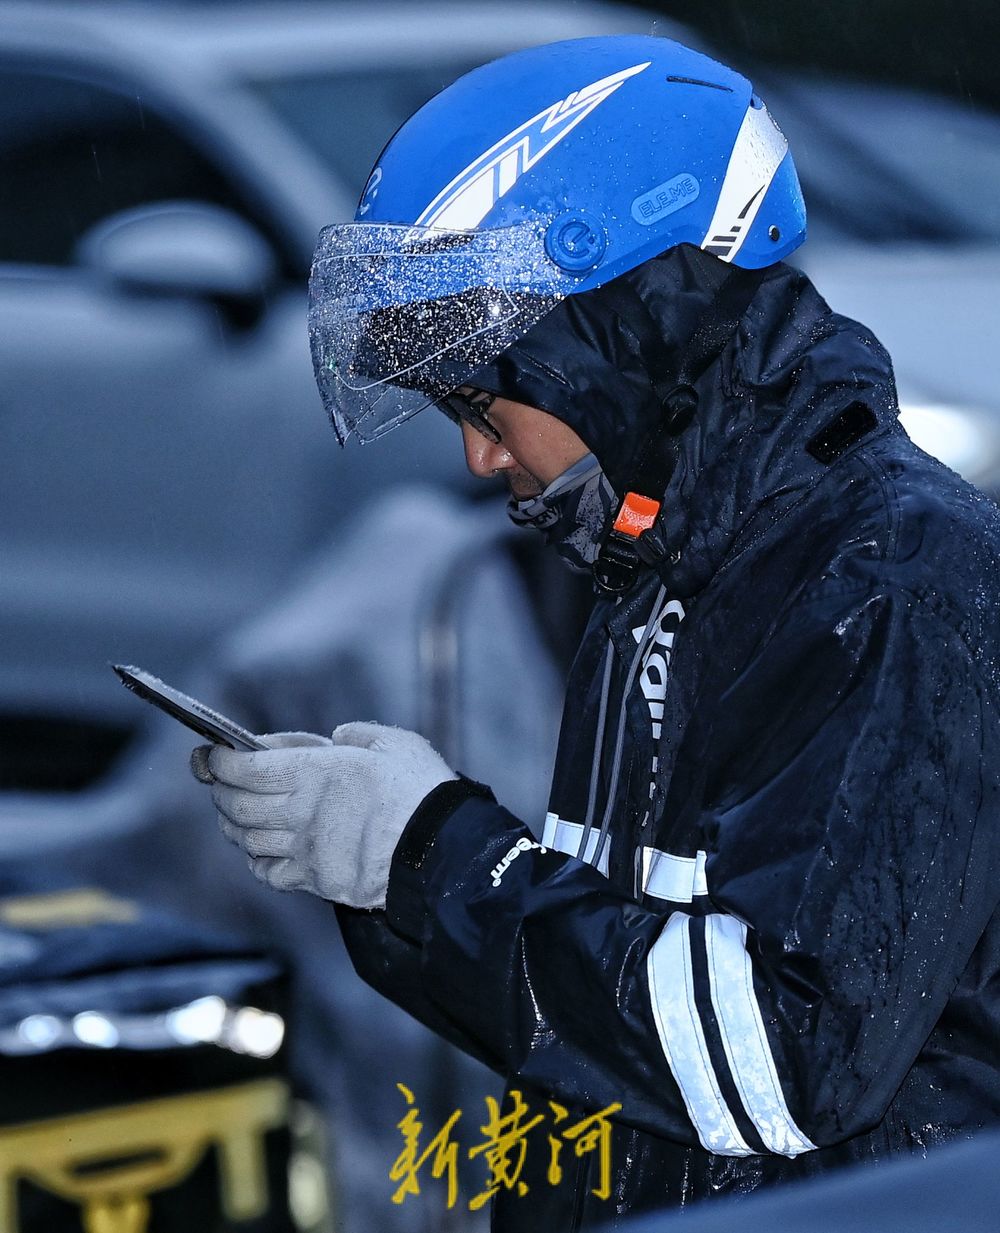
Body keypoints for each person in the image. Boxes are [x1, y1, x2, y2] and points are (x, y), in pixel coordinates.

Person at [190, 34, 1000, 1230]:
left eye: (484, 396)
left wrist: (428, 856)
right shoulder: (659, 565)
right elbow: (621, 1024)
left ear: (620, 331)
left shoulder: (892, 574)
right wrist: (402, 876)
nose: (477, 455)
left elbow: (777, 1063)